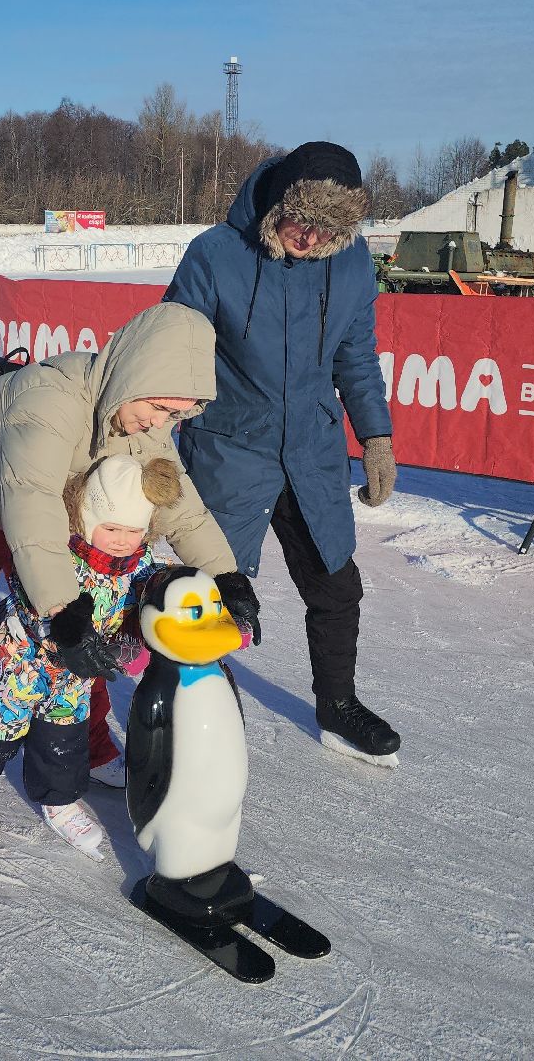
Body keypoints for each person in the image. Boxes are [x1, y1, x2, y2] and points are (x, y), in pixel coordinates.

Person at [0, 302, 260, 856]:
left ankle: (94, 748)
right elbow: (29, 504)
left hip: (56, 509)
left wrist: (227, 578)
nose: (160, 423)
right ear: (137, 375)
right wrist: (61, 608)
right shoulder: (50, 398)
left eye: (176, 414)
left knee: (95, 623)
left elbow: (181, 508)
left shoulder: (138, 414)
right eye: (158, 407)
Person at [164, 140, 402, 767]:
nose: (311, 237)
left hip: (312, 453)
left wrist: (375, 436)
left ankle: (337, 704)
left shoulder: (349, 263)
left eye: (329, 227)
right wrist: (153, 445)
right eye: (303, 219)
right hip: (230, 446)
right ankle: (184, 719)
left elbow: (355, 357)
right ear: (281, 204)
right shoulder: (217, 254)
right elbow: (170, 349)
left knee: (336, 585)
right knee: (208, 593)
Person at [0, 455, 177, 860]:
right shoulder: (60, 552)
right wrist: (67, 627)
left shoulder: (140, 564)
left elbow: (154, 591)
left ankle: (60, 802)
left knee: (64, 739)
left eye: (133, 531)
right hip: (18, 661)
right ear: (85, 518)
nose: (122, 539)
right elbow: (30, 589)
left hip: (73, 675)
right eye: (112, 527)